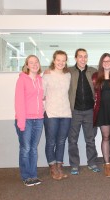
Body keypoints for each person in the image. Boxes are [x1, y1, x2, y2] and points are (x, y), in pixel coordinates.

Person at [68, 48, 100, 175]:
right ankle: (74, 164)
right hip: (74, 111)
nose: (83, 59)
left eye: (85, 56)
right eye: (80, 56)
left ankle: (92, 163)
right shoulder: (69, 71)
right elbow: (55, 72)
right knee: (72, 140)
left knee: (90, 139)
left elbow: (105, 77)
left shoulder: (93, 71)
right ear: (75, 58)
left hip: (90, 111)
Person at [14, 55, 44, 186]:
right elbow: (18, 102)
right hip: (25, 120)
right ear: (26, 65)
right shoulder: (22, 80)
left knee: (33, 148)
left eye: (36, 62)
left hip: (38, 119)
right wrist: (21, 122)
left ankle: (33, 175)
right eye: (31, 62)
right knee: (25, 148)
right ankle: (26, 176)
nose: (34, 64)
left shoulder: (40, 80)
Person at [42, 50, 71, 180]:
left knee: (61, 141)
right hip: (51, 113)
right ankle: (53, 168)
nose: (60, 62)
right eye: (58, 60)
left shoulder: (68, 75)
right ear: (54, 60)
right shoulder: (47, 75)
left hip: (65, 113)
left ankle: (59, 166)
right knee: (51, 142)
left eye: (63, 60)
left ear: (66, 62)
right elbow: (41, 94)